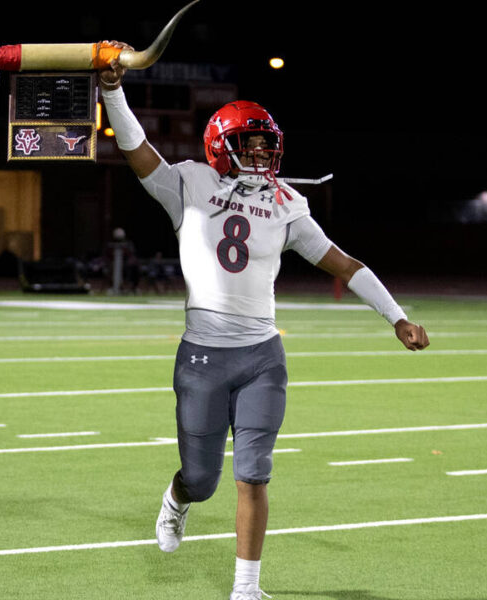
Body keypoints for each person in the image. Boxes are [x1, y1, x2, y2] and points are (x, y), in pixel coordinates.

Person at [98, 44, 430, 600]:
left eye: (264, 147)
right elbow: (136, 149)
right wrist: (112, 91)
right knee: (202, 479)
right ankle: (178, 499)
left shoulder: (286, 203)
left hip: (261, 357)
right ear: (220, 148)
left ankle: (246, 588)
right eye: (247, 146)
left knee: (254, 471)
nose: (258, 156)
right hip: (203, 357)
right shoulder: (189, 184)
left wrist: (396, 316)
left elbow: (343, 262)